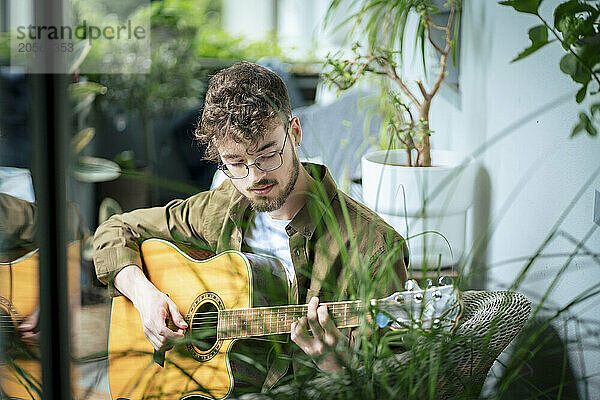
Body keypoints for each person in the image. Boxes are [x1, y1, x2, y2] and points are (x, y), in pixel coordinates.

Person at [93, 61, 408, 391]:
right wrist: (145, 297)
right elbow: (115, 230)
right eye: (235, 163)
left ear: (295, 133)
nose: (255, 176)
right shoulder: (224, 204)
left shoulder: (374, 247)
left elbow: (399, 382)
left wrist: (337, 366)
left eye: (268, 154)